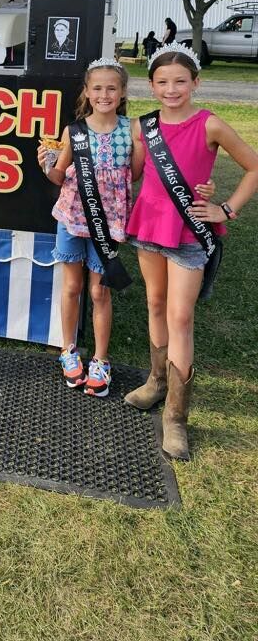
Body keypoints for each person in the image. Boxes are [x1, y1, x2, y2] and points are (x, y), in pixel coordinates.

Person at [124, 43, 258, 459]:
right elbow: (134, 174)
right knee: (156, 304)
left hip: (188, 232)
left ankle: (176, 418)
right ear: (151, 85)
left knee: (182, 317)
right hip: (148, 225)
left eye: (180, 81)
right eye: (162, 82)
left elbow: (254, 166)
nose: (171, 89)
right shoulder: (142, 127)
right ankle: (157, 382)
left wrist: (225, 208)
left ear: (196, 83)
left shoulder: (209, 124)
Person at [37, 59, 143, 397]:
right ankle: (68, 350)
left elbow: (135, 175)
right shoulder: (75, 131)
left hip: (108, 223)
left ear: (123, 92)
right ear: (87, 91)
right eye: (97, 88)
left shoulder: (133, 130)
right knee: (71, 286)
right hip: (71, 217)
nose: (104, 94)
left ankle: (100, 359)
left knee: (99, 291)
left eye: (112, 88)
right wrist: (46, 165)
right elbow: (59, 175)